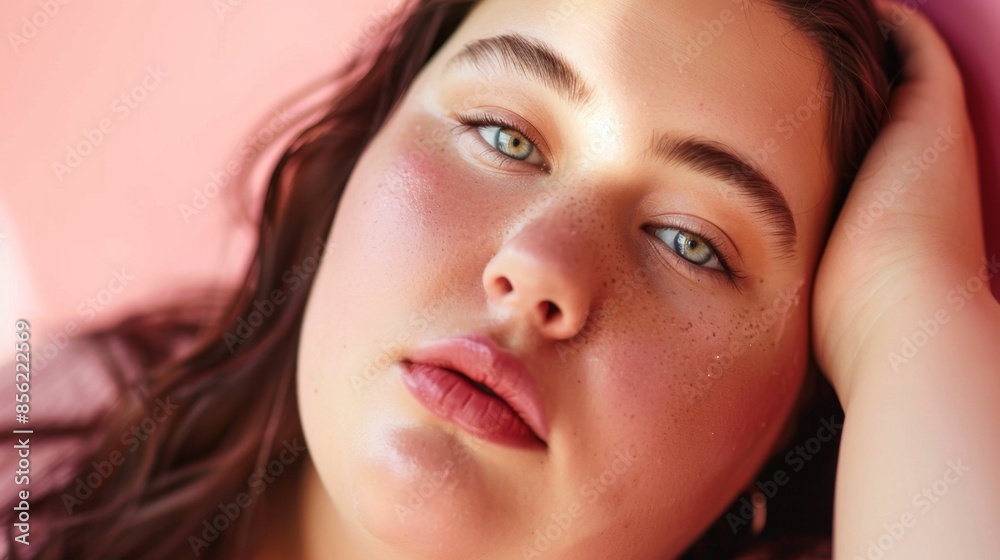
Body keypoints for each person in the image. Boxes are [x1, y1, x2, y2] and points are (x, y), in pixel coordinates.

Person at [3, 0, 998, 558]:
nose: (536, 266)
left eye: (691, 241)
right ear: (345, 169)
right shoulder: (44, 450)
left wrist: (904, 300)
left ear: (782, 434)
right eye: (503, 135)